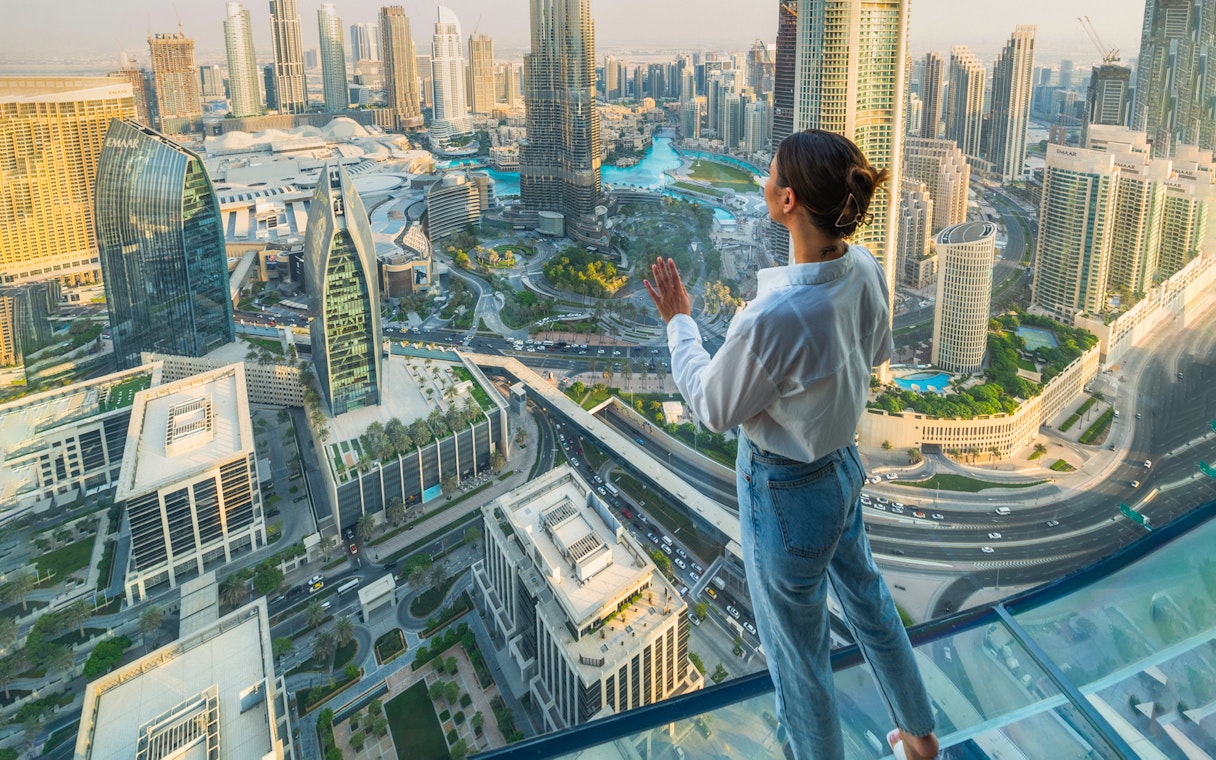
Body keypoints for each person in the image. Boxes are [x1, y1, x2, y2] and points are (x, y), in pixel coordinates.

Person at [643, 129, 939, 760]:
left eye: (770, 175)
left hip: (783, 496)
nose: (761, 180)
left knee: (801, 664)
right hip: (841, 471)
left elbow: (713, 406)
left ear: (788, 202)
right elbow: (877, 354)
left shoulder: (777, 315)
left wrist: (679, 324)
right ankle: (921, 738)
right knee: (870, 603)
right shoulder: (863, 270)